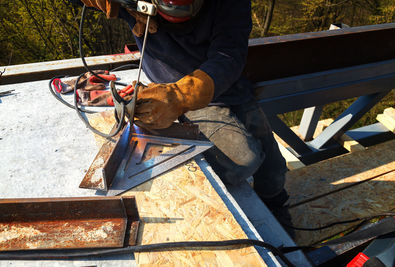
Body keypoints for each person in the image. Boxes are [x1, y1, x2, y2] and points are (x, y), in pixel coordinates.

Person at [72, 0, 289, 213]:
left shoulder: (229, 4)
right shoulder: (135, 3)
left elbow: (229, 56)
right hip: (168, 88)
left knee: (274, 170)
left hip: (217, 85)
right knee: (243, 162)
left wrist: (180, 96)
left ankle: (276, 204)